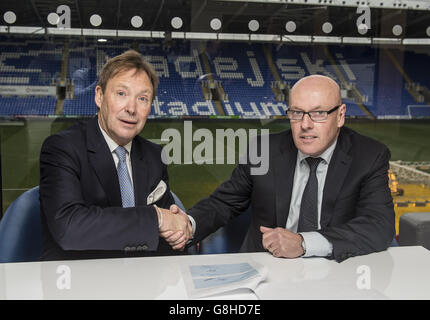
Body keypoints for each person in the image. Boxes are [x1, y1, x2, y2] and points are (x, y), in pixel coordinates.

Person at [173, 74, 395, 262]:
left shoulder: (369, 156)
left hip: (335, 270)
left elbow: (379, 225)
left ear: (340, 116)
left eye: (318, 113)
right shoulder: (264, 149)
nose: (305, 125)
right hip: (265, 267)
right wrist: (187, 225)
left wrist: (304, 243)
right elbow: (224, 202)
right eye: (297, 113)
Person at [39, 50, 192, 261]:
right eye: (121, 94)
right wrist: (155, 218)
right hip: (79, 281)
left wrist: (180, 233)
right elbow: (70, 228)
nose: (131, 108)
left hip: (142, 281)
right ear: (99, 96)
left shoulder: (154, 155)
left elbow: (168, 232)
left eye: (143, 99)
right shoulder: (62, 148)